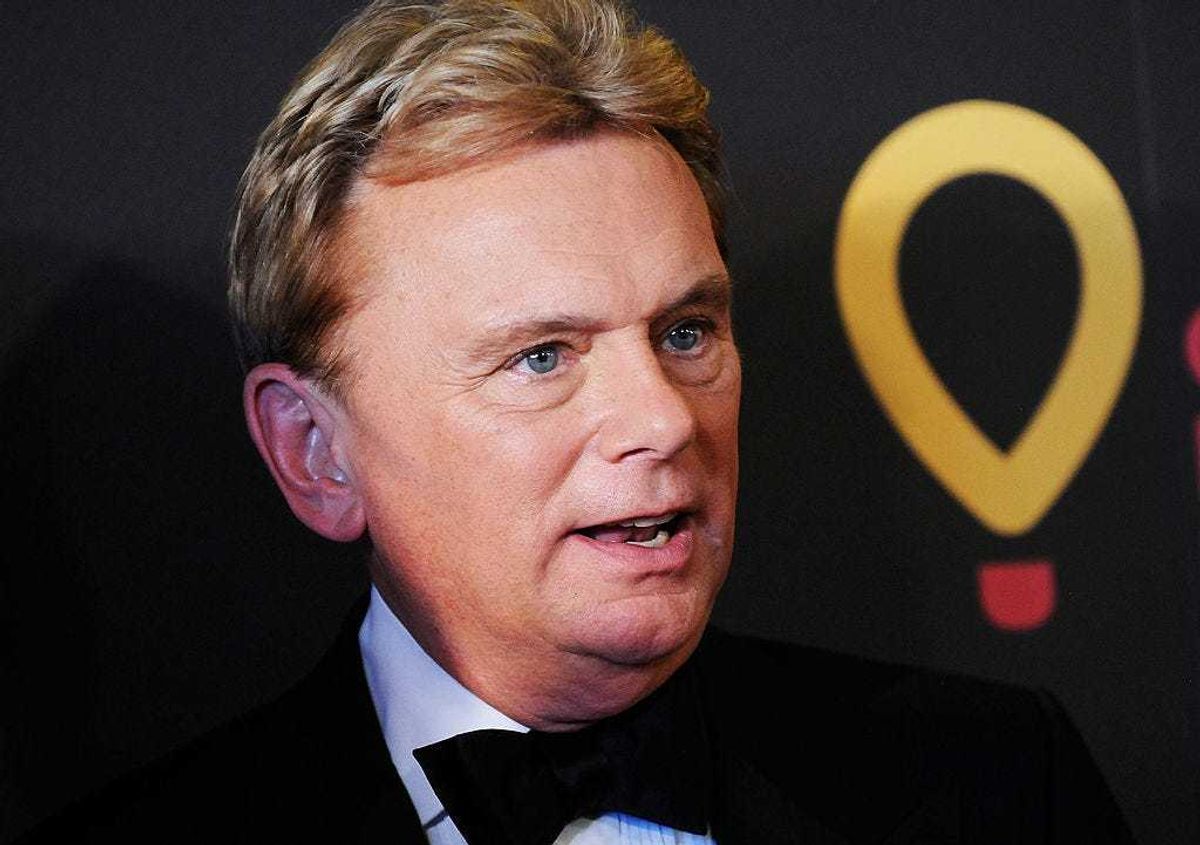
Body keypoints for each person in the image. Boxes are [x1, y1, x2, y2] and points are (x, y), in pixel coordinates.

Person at [23, 1, 1134, 842]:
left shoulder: (995, 784)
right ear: (318, 453)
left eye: (687, 331)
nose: (660, 418)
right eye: (541, 355)